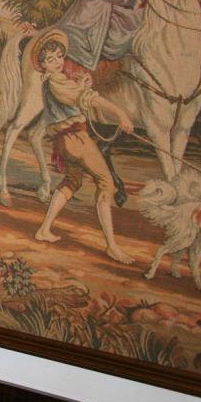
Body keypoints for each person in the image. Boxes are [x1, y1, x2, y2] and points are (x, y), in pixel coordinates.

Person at [31, 30, 136, 264]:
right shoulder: (56, 81)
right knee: (106, 182)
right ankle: (112, 246)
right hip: (76, 139)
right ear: (42, 64)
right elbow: (85, 99)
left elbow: (71, 98)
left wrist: (80, 84)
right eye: (50, 59)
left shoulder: (51, 82)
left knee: (72, 181)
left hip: (63, 141)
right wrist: (120, 113)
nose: (57, 62)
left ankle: (44, 229)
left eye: (59, 56)